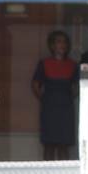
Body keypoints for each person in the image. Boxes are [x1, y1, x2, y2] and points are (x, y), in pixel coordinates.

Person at [30, 30, 79, 161]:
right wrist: (45, 99)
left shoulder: (73, 65)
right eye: (58, 41)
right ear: (52, 46)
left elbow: (77, 87)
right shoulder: (44, 63)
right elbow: (35, 85)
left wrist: (66, 98)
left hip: (66, 108)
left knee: (64, 146)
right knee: (49, 145)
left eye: (64, 42)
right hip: (49, 108)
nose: (62, 45)